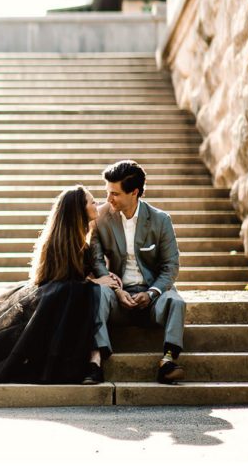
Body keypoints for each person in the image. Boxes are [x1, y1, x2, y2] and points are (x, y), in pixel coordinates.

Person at [0, 185, 118, 384]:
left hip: (61, 303)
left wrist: (95, 279)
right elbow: (59, 282)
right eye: (92, 202)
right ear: (78, 210)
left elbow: (74, 278)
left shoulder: (84, 240)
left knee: (84, 293)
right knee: (78, 292)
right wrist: (94, 282)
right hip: (50, 303)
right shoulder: (58, 241)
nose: (97, 204)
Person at [88, 159, 186, 384]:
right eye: (107, 192)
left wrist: (152, 293)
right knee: (98, 294)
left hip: (152, 296)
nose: (108, 199)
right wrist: (116, 289)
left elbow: (171, 266)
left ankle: (168, 360)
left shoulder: (161, 220)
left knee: (176, 302)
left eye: (115, 194)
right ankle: (95, 363)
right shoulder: (101, 217)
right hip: (117, 293)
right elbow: (96, 260)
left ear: (134, 192)